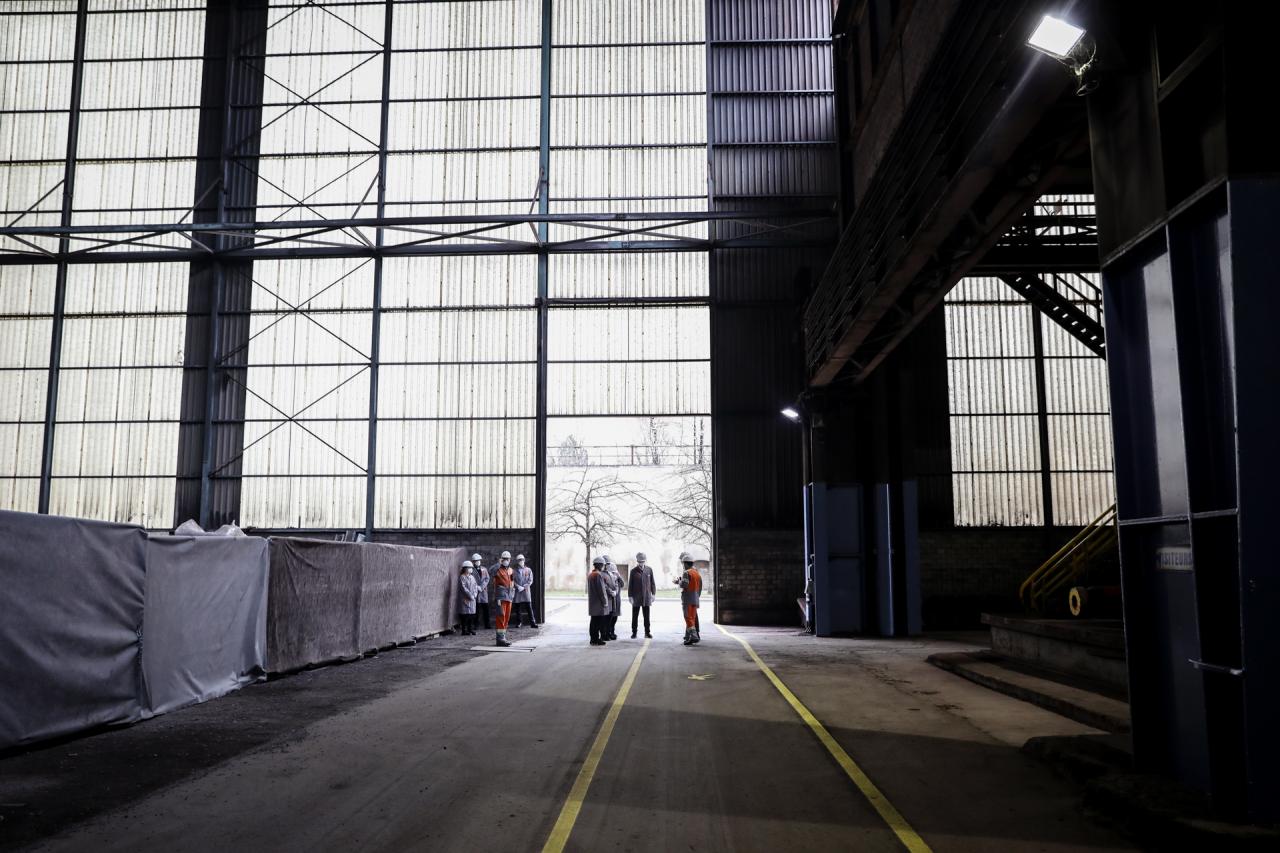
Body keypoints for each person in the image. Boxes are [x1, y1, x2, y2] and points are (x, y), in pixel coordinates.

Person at [628, 552, 656, 639]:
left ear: (645, 561)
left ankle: (647, 632)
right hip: (636, 597)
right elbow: (630, 585)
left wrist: (653, 594)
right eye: (640, 561)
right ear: (637, 561)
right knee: (635, 616)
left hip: (646, 597)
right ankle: (634, 632)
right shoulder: (633, 571)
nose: (641, 563)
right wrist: (630, 596)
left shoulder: (649, 570)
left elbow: (652, 583)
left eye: (643, 561)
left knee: (647, 616)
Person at [678, 551, 703, 646]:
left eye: (683, 563)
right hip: (695, 599)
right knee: (692, 618)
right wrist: (697, 596)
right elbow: (700, 587)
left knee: (688, 618)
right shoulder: (696, 573)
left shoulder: (686, 573)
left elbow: (684, 584)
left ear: (685, 563)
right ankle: (688, 638)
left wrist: (678, 581)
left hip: (687, 599)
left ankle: (694, 636)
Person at [587, 556, 612, 645]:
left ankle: (593, 639)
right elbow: (601, 590)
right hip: (599, 604)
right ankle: (596, 639)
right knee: (598, 622)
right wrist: (605, 602)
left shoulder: (591, 574)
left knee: (593, 622)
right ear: (600, 565)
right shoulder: (598, 575)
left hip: (593, 603)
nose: (603, 566)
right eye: (602, 565)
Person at [492, 550, 515, 647]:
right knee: (500, 617)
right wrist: (498, 563)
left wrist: (512, 592)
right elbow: (491, 571)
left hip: (509, 597)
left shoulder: (510, 570)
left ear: (510, 560)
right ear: (501, 559)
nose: (506, 560)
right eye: (504, 559)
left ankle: (503, 637)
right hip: (500, 597)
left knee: (506, 617)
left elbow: (512, 581)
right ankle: (500, 639)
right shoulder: (497, 569)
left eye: (507, 559)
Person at [512, 554, 539, 628]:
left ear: (524, 560)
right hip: (518, 591)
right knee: (517, 608)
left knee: (529, 607)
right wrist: (517, 586)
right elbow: (512, 580)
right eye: (519, 560)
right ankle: (519, 622)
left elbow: (530, 580)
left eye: (522, 559)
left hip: (526, 591)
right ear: (517, 561)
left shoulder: (528, 570)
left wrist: (524, 587)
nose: (521, 561)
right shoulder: (514, 571)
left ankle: (532, 622)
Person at [602, 554, 622, 640]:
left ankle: (611, 632)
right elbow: (605, 586)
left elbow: (621, 584)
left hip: (616, 599)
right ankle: (606, 633)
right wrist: (611, 592)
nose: (608, 565)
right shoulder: (603, 573)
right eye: (607, 563)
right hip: (608, 598)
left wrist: (618, 576)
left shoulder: (613, 574)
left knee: (613, 617)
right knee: (607, 618)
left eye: (609, 563)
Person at [458, 561, 479, 636]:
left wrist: (475, 594)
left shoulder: (472, 577)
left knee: (471, 615)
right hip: (465, 599)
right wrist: (470, 595)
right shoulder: (462, 577)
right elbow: (464, 588)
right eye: (469, 568)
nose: (471, 569)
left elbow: (475, 586)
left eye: (471, 568)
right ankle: (464, 630)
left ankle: (470, 629)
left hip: (472, 599)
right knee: (465, 616)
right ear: (465, 568)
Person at [471, 552, 491, 630]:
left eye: (479, 560)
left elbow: (487, 578)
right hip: (476, 591)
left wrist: (482, 587)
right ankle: (476, 624)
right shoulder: (471, 570)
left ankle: (487, 624)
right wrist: (476, 587)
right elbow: (471, 580)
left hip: (483, 591)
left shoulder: (484, 569)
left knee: (486, 608)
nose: (478, 561)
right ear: (473, 561)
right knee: (477, 609)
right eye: (476, 560)